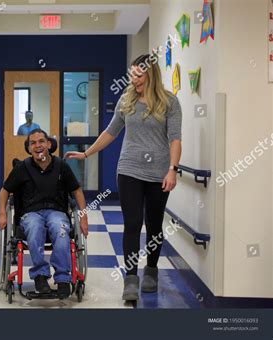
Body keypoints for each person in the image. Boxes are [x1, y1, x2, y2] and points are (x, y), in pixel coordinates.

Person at [65, 54, 182, 301]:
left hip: (159, 172)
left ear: (151, 75)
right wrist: (86, 153)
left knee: (153, 223)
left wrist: (172, 168)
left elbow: (175, 139)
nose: (134, 80)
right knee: (132, 223)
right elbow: (111, 132)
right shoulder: (126, 99)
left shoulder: (169, 102)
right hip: (129, 169)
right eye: (132, 75)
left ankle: (151, 270)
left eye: (138, 75)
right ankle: (131, 277)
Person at [0, 129, 89, 299]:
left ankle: (62, 278)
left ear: (48, 144)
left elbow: (77, 191)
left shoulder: (61, 166)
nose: (38, 145)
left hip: (57, 212)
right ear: (29, 148)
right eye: (33, 143)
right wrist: (2, 213)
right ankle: (40, 275)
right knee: (35, 226)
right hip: (30, 214)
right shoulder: (21, 168)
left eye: (41, 141)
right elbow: (4, 191)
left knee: (60, 229)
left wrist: (83, 217)